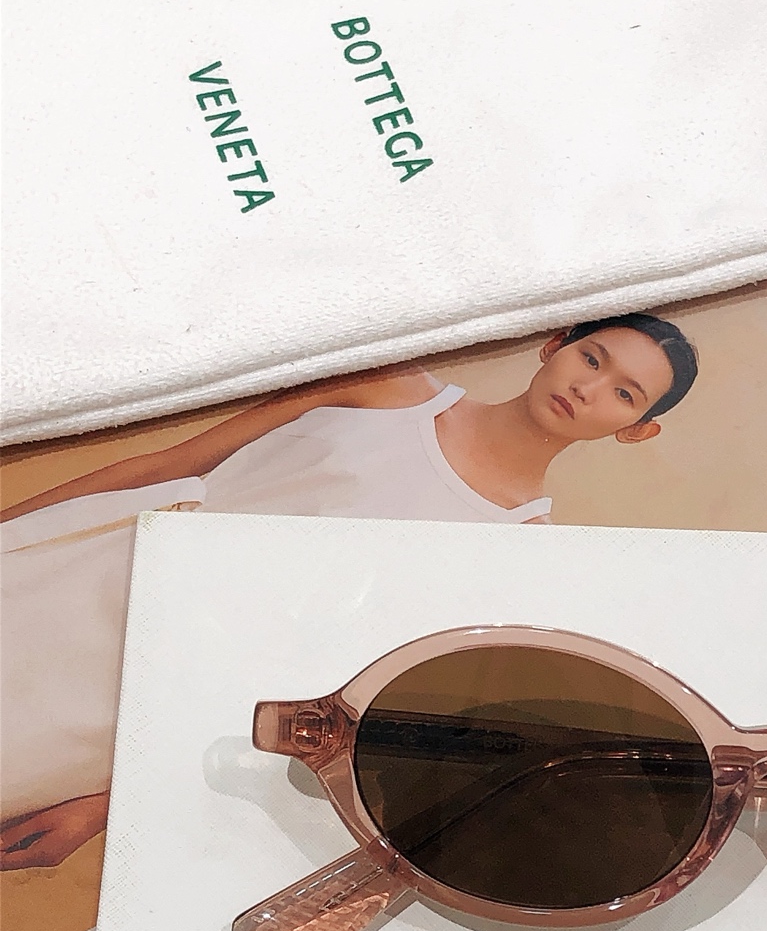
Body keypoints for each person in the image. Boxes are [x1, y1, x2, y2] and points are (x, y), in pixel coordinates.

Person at [0, 315, 699, 871]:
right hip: (75, 573)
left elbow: (315, 692)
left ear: (637, 431)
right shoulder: (386, 385)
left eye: (625, 394)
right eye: (592, 359)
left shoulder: (515, 552)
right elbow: (174, 464)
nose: (589, 388)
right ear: (555, 345)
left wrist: (105, 805)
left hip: (140, 693)